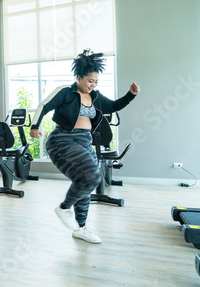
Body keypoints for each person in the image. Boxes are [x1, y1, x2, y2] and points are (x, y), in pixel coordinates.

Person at [29, 49, 140, 244]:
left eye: (96, 81)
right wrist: (34, 126)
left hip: (84, 142)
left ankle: (81, 228)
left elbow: (113, 106)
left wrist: (130, 95)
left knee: (85, 182)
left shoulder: (95, 97)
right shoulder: (66, 92)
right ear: (79, 77)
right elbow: (43, 105)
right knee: (92, 177)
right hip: (62, 140)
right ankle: (64, 207)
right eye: (90, 81)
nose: (93, 85)